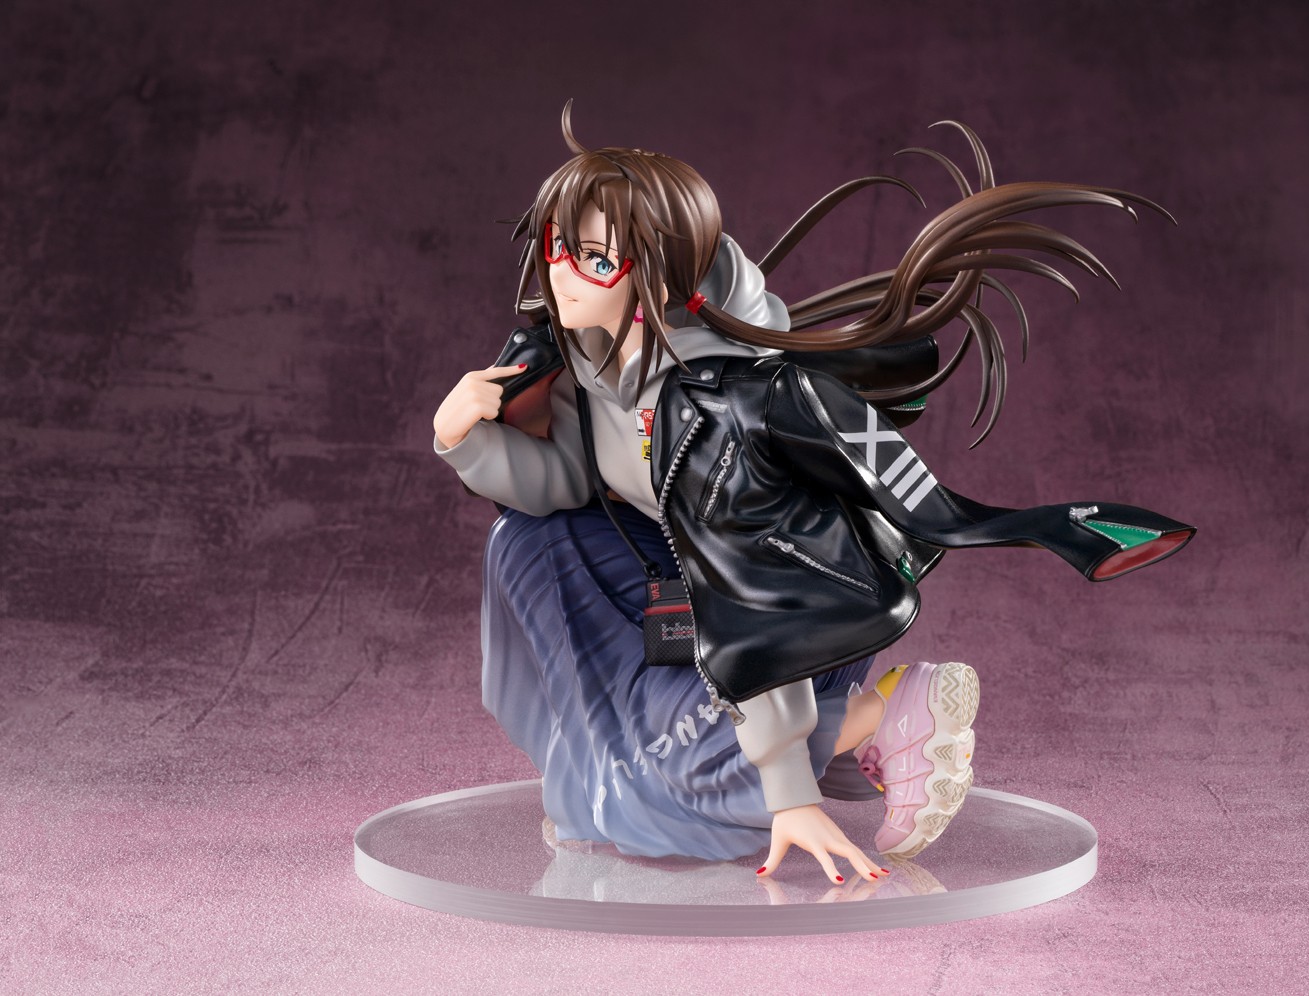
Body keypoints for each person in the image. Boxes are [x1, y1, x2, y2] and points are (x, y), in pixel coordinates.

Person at [433, 103, 1194, 884]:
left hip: (786, 616)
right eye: (557, 246)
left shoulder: (711, 408)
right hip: (692, 593)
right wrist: (465, 435)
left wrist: (789, 794)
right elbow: (565, 485)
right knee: (524, 550)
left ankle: (879, 714)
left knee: (668, 781)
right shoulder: (591, 354)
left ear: (657, 272)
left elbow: (751, 590)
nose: (561, 273)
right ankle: (820, 748)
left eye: (595, 258)